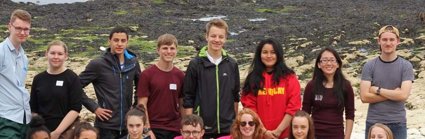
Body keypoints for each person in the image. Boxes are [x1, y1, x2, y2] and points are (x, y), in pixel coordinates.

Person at [80, 26, 142, 139]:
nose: (119, 44)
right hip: (105, 126)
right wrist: (94, 107)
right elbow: (75, 86)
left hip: (127, 125)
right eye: (116, 40)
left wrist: (136, 106)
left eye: (123, 41)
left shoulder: (133, 63)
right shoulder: (97, 64)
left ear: (127, 42)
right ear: (109, 41)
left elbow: (141, 87)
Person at [182, 18, 240, 138]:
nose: (217, 40)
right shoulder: (195, 64)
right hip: (202, 128)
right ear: (206, 36)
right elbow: (188, 97)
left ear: (225, 38)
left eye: (221, 36)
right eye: (213, 36)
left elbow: (235, 96)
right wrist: (189, 125)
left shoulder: (232, 64)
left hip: (227, 128)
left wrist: (235, 123)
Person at [360, 25, 414, 139]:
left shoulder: (406, 66)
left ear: (398, 41)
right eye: (384, 39)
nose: (388, 43)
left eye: (391, 39)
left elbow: (403, 95)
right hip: (373, 123)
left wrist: (377, 90)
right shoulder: (369, 66)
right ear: (379, 41)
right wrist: (394, 94)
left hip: (397, 123)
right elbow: (364, 97)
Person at [241, 38, 301, 139]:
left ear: (279, 54)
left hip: (285, 135)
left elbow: (293, 107)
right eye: (265, 52)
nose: (269, 56)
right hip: (258, 134)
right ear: (259, 55)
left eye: (273, 52)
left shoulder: (289, 77)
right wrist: (264, 131)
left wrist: (278, 131)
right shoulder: (253, 78)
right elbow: (249, 108)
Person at [30, 40, 83, 139]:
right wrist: (41, 131)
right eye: (52, 53)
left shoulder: (72, 78)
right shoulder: (38, 78)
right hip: (42, 132)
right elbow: (33, 108)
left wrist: (57, 132)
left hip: (66, 131)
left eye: (60, 54)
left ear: (66, 56)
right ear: (46, 54)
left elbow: (75, 108)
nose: (56, 57)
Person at [138, 34, 184, 139]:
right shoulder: (147, 75)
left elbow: (182, 104)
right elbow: (142, 105)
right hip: (154, 128)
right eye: (165, 48)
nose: (169, 51)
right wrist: (147, 129)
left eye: (172, 48)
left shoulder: (180, 75)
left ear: (176, 50)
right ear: (158, 50)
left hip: (175, 129)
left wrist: (184, 128)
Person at [302, 47, 355, 139]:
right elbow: (305, 113)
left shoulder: (346, 86)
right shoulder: (311, 85)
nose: (329, 63)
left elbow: (350, 114)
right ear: (319, 64)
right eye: (325, 60)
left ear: (338, 64)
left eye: (332, 60)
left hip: (337, 134)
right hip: (315, 135)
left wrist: (347, 137)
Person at [0, 9, 32, 138]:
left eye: (26, 29)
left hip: (24, 118)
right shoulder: (1, 52)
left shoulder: (24, 57)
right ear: (9, 27)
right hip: (6, 118)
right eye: (18, 28)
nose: (22, 32)